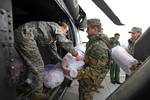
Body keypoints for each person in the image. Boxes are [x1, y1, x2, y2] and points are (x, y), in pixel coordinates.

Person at [14, 20, 80, 100]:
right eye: (66, 31)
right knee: (39, 66)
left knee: (29, 64)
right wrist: (76, 54)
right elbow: (63, 41)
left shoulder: (51, 36)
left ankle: (24, 86)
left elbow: (53, 52)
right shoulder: (57, 27)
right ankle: (37, 94)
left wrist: (62, 63)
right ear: (63, 27)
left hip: (22, 34)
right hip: (26, 36)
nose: (66, 34)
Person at [77, 18, 110, 100]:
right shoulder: (94, 43)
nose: (86, 31)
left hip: (89, 81)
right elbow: (90, 60)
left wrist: (74, 73)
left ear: (95, 29)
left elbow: (95, 71)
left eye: (88, 28)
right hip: (86, 79)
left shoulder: (98, 46)